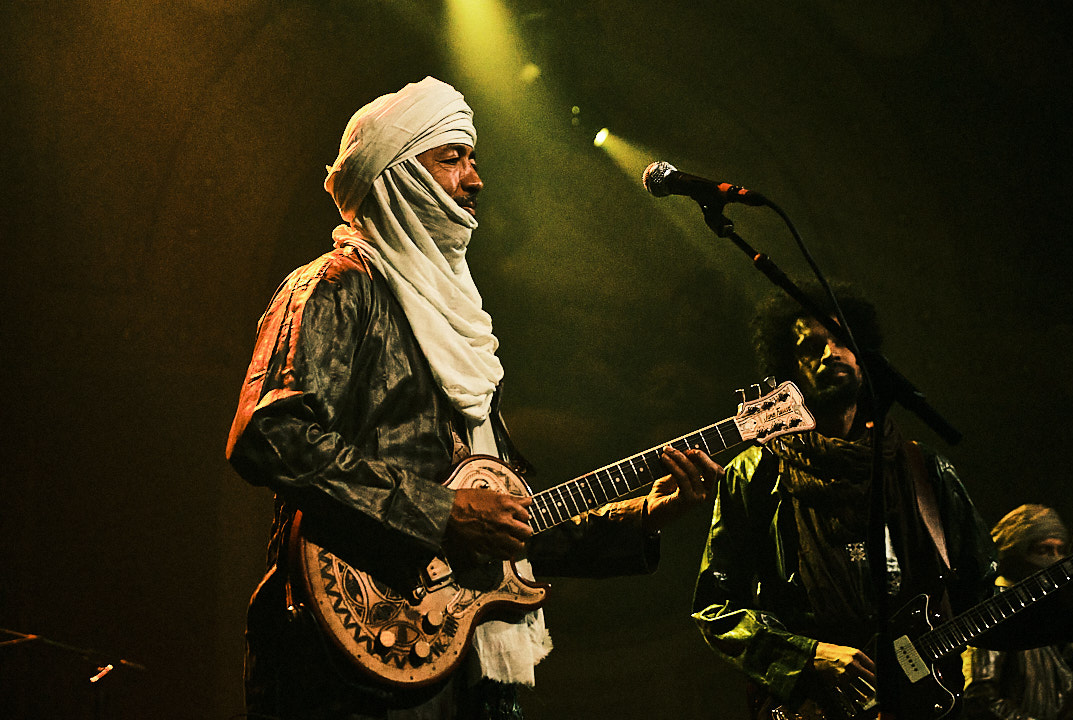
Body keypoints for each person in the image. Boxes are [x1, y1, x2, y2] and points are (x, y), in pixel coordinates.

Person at [225, 76, 720, 720]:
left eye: (474, 158)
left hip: (464, 674)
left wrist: (644, 515)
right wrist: (439, 513)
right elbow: (270, 435)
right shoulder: (335, 287)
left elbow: (510, 525)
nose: (476, 178)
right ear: (399, 177)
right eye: (452, 157)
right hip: (352, 665)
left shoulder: (459, 331)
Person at [690, 285, 1073, 720]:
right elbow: (715, 607)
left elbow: (982, 601)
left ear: (865, 354)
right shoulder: (754, 474)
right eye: (811, 346)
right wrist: (808, 655)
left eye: (843, 340)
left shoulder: (923, 470)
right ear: (789, 368)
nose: (831, 353)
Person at [962, 504, 1073, 720]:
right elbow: (980, 699)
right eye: (1043, 550)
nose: (1054, 560)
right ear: (1016, 552)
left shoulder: (1051, 612)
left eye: (1060, 551)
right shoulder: (997, 609)